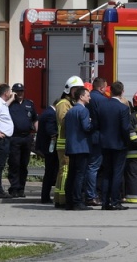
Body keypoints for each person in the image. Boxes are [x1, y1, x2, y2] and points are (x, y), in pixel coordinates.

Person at [97, 81, 137, 211]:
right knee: (117, 174)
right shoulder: (123, 108)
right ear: (122, 92)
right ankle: (115, 201)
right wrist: (128, 142)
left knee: (106, 173)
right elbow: (125, 128)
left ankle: (105, 202)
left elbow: (98, 125)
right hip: (119, 145)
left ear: (111, 91)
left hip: (104, 144)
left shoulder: (102, 106)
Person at [54, 76, 85, 208]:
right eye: (75, 89)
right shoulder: (63, 104)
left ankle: (65, 197)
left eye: (79, 89)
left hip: (69, 143)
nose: (77, 91)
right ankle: (61, 199)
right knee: (64, 171)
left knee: (67, 171)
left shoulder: (71, 104)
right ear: (68, 89)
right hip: (64, 143)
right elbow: (64, 121)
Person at [6, 82, 38, 198]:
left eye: (21, 91)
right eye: (17, 91)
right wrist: (11, 99)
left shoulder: (29, 104)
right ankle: (14, 188)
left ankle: (21, 189)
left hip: (26, 137)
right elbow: (2, 110)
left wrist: (37, 132)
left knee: (24, 164)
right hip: (14, 137)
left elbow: (35, 119)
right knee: (14, 163)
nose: (20, 93)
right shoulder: (9, 105)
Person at [64, 86, 94, 211]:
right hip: (81, 147)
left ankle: (70, 201)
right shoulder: (83, 111)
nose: (89, 97)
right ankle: (77, 201)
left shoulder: (70, 111)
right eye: (87, 95)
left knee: (71, 174)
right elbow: (86, 127)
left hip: (71, 146)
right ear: (81, 97)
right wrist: (93, 123)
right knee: (80, 175)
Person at [85, 76, 109, 207]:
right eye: (105, 87)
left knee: (88, 166)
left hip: (87, 136)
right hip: (99, 137)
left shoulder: (87, 98)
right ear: (101, 87)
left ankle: (88, 193)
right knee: (93, 167)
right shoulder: (103, 100)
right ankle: (91, 195)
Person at [34, 102, 59, 204]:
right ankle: (45, 197)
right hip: (49, 148)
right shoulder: (51, 114)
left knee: (49, 172)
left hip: (46, 147)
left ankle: (45, 196)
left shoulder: (47, 112)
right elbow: (50, 130)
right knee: (50, 172)